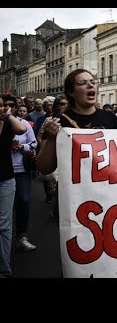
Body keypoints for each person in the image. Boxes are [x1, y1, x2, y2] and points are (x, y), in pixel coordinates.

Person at [37, 69, 117, 176]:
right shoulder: (58, 122)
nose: (90, 85)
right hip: (74, 189)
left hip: (104, 186)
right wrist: (51, 139)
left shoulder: (110, 117)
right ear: (71, 92)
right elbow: (44, 168)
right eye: (82, 83)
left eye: (92, 82)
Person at [3, 95, 38, 251]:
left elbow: (34, 143)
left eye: (11, 105)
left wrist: (22, 147)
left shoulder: (23, 124)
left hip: (21, 169)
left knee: (23, 202)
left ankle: (21, 236)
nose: (7, 107)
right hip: (3, 171)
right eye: (4, 104)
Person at [0, 95, 27, 277]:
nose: (2, 107)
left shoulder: (9, 123)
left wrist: (9, 116)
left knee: (4, 226)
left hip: (6, 179)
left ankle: (3, 270)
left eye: (2, 105)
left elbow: (22, 128)